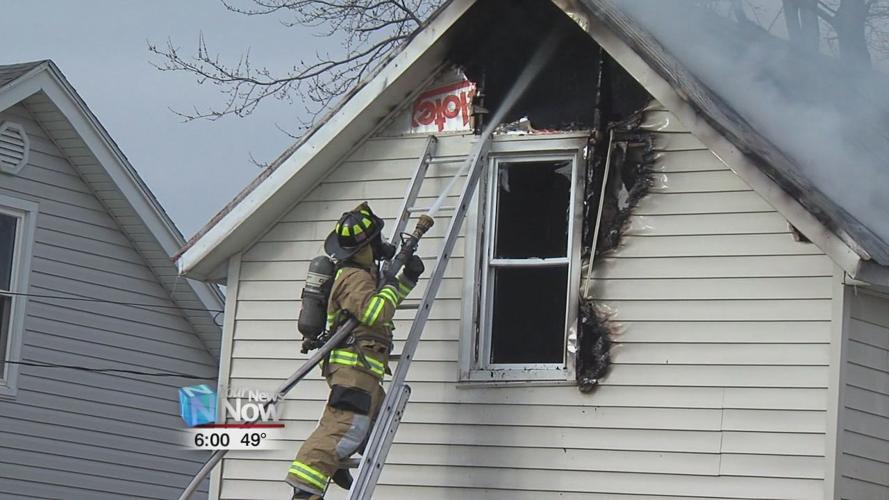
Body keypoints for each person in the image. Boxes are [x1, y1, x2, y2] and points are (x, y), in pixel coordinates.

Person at [286, 202, 424, 499]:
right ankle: (305, 489)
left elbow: (380, 305)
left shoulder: (362, 275)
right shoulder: (355, 277)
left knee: (374, 424)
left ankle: (337, 464)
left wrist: (406, 280)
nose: (380, 247)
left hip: (365, 372)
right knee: (342, 428)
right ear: (363, 249)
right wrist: (392, 283)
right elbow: (375, 313)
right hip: (354, 371)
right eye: (376, 242)